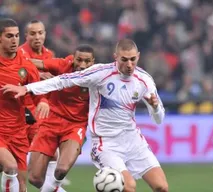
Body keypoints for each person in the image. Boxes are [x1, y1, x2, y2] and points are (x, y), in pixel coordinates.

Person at [2, 39, 168, 192]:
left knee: (162, 187)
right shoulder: (100, 73)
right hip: (106, 143)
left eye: (133, 59)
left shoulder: (144, 80)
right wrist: (27, 88)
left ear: (138, 56)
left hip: (133, 141)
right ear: (115, 57)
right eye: (124, 59)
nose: (129, 64)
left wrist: (154, 108)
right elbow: (63, 80)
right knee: (129, 187)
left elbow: (159, 119)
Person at [25, 45, 94, 191]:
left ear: (93, 62)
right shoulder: (63, 65)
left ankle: (55, 186)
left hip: (75, 126)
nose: (82, 65)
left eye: (87, 61)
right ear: (73, 59)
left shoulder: (97, 76)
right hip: (50, 122)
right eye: (79, 60)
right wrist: (38, 73)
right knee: (34, 178)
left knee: (61, 170)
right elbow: (33, 62)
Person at [0, 18, 49, 192]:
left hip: (18, 132)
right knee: (10, 167)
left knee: (22, 186)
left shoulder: (26, 66)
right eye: (9, 36)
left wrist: (43, 101)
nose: (14, 40)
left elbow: (38, 92)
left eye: (17, 36)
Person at [19, 20, 69, 190]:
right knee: (15, 162)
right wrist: (38, 75)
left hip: (40, 112)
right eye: (33, 33)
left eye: (40, 33)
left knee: (52, 155)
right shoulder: (19, 54)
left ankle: (53, 187)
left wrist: (45, 100)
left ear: (45, 34)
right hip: (20, 111)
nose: (37, 37)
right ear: (26, 36)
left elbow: (53, 85)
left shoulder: (50, 54)